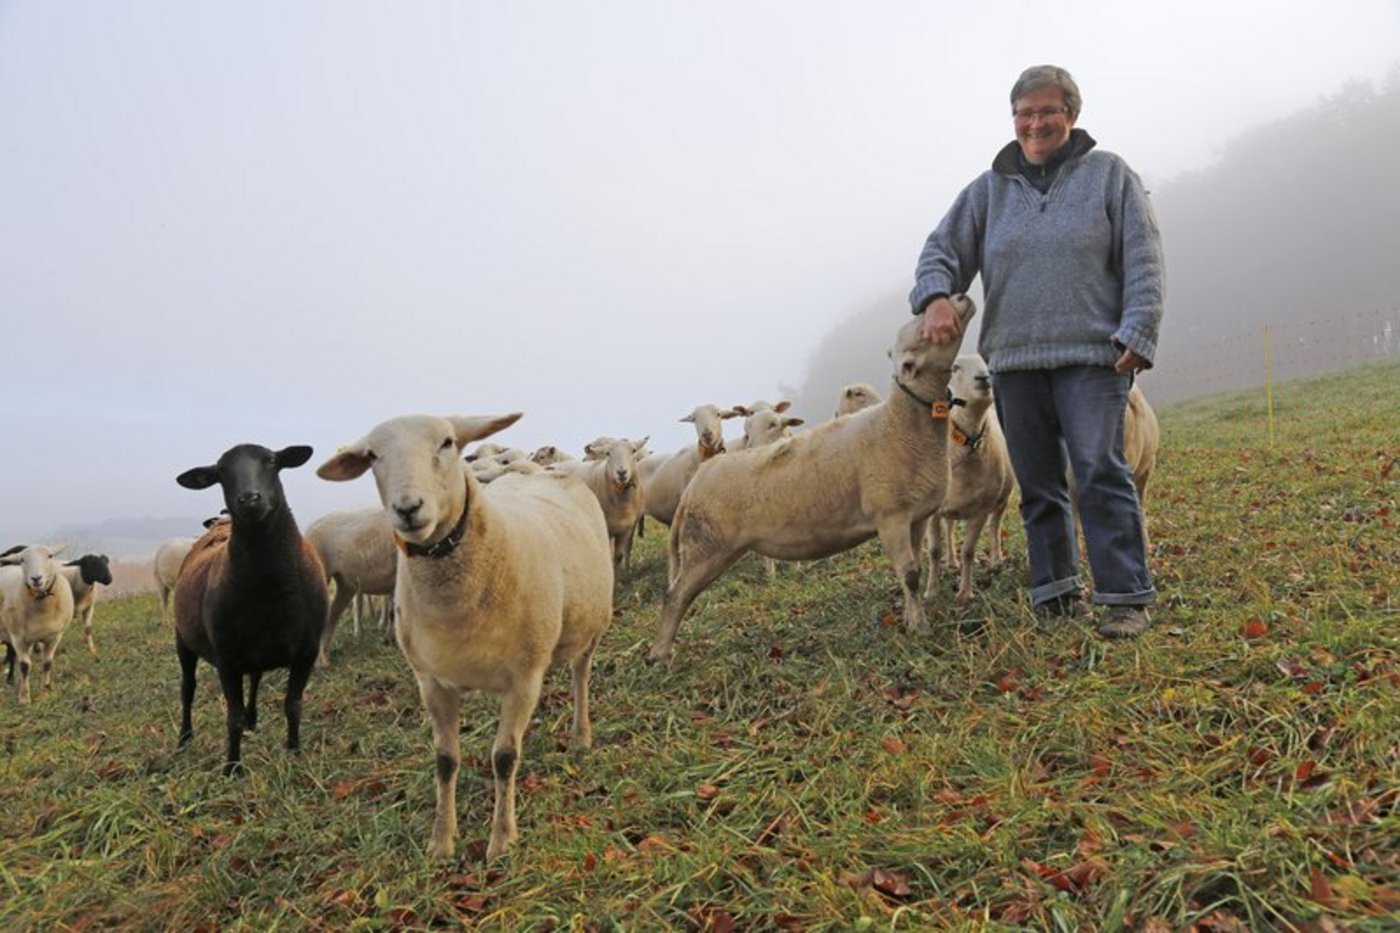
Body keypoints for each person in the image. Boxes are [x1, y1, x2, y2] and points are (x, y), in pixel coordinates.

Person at [908, 64, 1164, 639]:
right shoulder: (988, 191)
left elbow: (1144, 258)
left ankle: (1124, 597)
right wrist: (935, 298)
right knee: (1038, 481)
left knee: (1099, 470)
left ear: (1071, 115)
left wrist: (1138, 329)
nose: (1035, 123)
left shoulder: (1109, 177)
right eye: (1024, 113)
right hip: (1016, 363)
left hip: (1094, 358)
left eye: (1047, 111)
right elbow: (940, 252)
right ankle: (1054, 596)